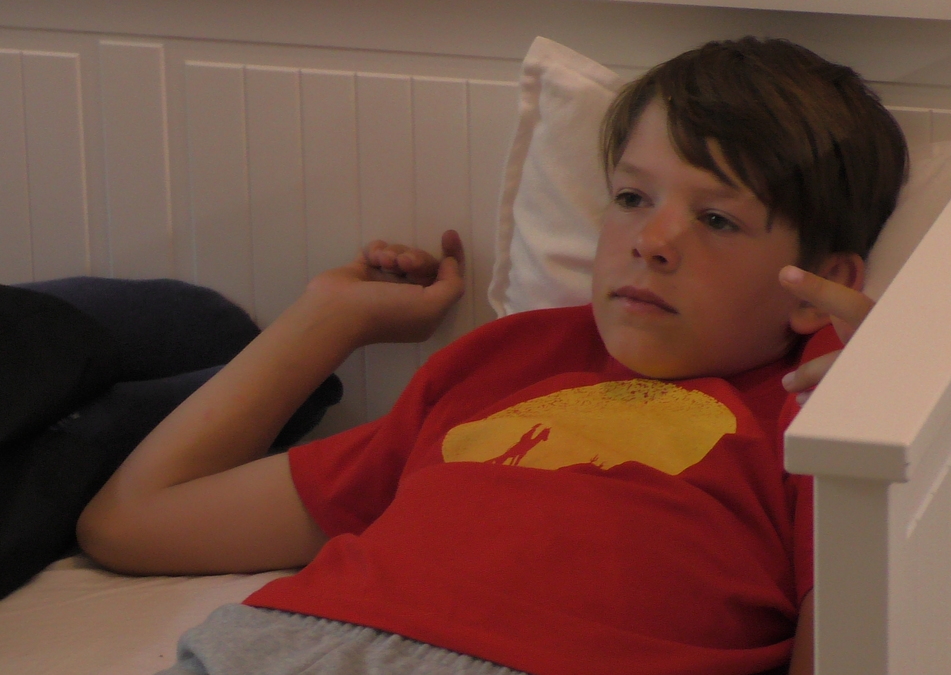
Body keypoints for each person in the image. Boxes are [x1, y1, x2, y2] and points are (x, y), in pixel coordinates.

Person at [76, 36, 906, 675]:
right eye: (631, 197)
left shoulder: (819, 415)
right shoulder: (507, 363)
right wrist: (330, 317)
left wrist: (892, 397)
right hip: (302, 641)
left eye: (717, 219)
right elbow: (130, 522)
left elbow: (853, 643)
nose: (651, 240)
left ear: (821, 286)